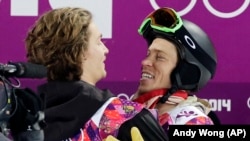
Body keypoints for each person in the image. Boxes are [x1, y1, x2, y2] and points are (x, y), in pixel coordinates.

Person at [24, 7, 168, 141]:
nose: (106, 49)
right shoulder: (124, 117)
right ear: (80, 52)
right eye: (99, 41)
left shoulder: (25, 125)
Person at [132, 7, 218, 130]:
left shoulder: (194, 123)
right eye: (148, 54)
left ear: (186, 73)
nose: (145, 62)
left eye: (160, 57)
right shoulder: (124, 112)